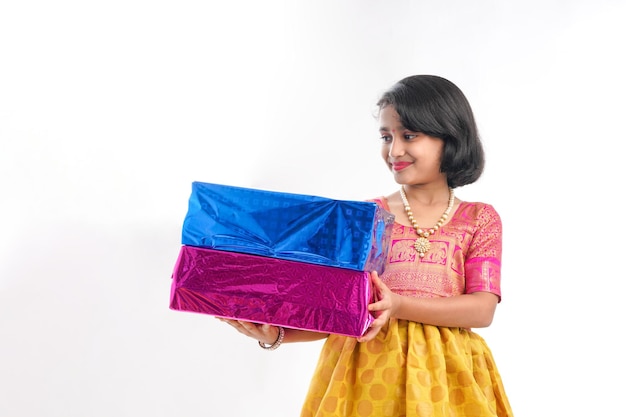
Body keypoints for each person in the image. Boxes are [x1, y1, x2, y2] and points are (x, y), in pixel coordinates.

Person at [222, 74, 514, 416]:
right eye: (386, 136)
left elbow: (482, 309)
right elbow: (336, 313)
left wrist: (400, 305)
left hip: (449, 379)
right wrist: (277, 333)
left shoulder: (479, 219)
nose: (394, 150)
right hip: (364, 375)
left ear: (449, 137)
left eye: (409, 136)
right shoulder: (366, 217)